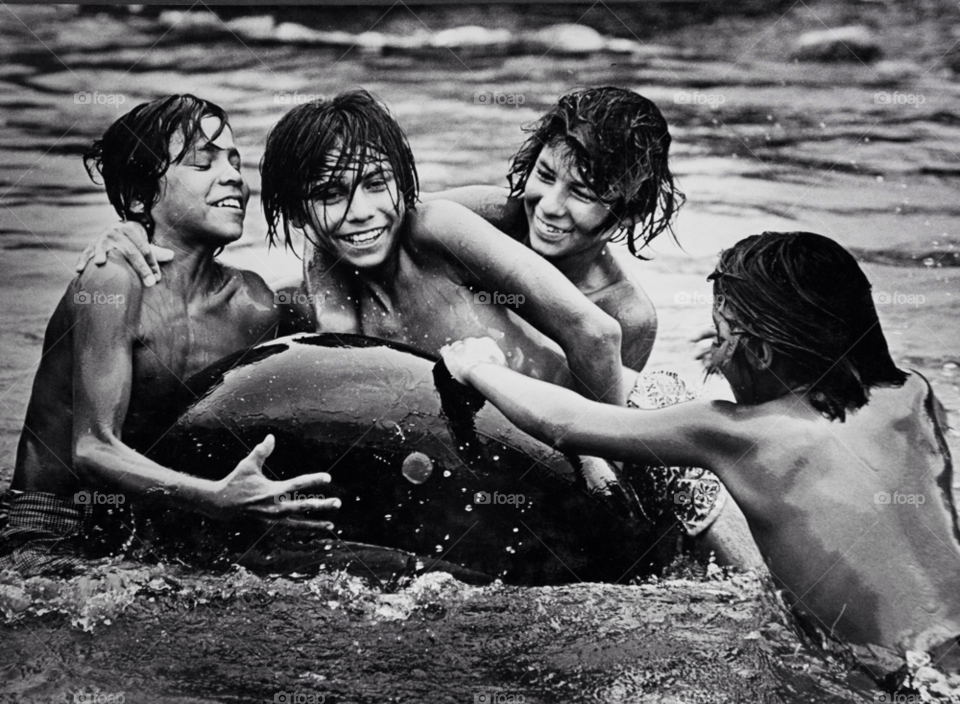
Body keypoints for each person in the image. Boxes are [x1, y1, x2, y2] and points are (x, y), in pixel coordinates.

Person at [440, 231, 960, 661]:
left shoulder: (738, 434)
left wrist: (478, 366)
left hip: (894, 680)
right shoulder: (914, 395)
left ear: (756, 352)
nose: (713, 354)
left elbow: (567, 423)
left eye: (719, 337)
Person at [0, 95, 339, 576]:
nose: (233, 178)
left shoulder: (255, 304)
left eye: (235, 162)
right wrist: (215, 500)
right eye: (204, 162)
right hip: (54, 527)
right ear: (140, 197)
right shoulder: (113, 278)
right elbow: (92, 448)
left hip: (153, 524)